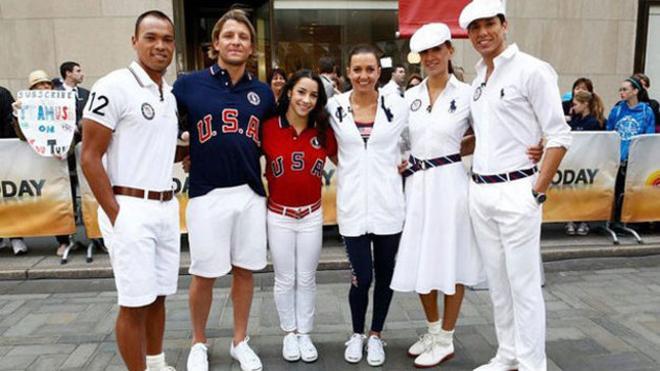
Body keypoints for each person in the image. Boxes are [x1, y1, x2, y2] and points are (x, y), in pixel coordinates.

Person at [459, 1, 571, 370]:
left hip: (518, 190)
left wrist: (537, 190)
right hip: (481, 191)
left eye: (489, 24)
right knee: (498, 283)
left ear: (504, 24)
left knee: (524, 286)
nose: (482, 33)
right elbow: (486, 136)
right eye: (475, 28)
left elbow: (558, 135)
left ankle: (532, 363)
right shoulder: (477, 81)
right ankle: (507, 354)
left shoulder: (533, 70)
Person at [173, 9, 275, 371]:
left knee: (245, 271)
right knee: (204, 273)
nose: (236, 41)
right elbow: (168, 128)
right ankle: (199, 342)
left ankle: (239, 340)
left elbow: (270, 141)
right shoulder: (188, 84)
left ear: (251, 48)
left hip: (249, 192)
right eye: (229, 35)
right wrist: (184, 149)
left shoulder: (262, 92)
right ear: (216, 43)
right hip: (205, 191)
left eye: (243, 37)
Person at [80, 10, 180, 371]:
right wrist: (115, 214)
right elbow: (89, 156)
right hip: (129, 207)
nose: (160, 46)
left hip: (166, 207)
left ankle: (155, 364)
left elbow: (158, 149)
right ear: (134, 41)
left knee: (158, 297)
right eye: (151, 38)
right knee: (134, 302)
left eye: (167, 39)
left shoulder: (167, 93)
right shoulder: (113, 85)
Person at [390, 23, 485, 368]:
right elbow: (399, 140)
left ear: (449, 50)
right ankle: (432, 329)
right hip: (418, 187)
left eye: (437, 50)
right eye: (424, 53)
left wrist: (460, 150)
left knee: (451, 260)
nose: (431, 58)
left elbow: (486, 133)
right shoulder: (410, 97)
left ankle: (446, 336)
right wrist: (401, 160)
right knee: (419, 260)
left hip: (451, 186)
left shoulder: (468, 93)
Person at [326, 44, 408, 367]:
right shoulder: (334, 107)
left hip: (389, 206)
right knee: (362, 275)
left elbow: (414, 141)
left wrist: (404, 160)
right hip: (352, 207)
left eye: (369, 70)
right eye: (357, 70)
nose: (363, 76)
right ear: (348, 71)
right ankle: (356, 333)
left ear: (379, 72)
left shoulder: (398, 106)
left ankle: (376, 334)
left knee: (386, 275)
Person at [262, 69, 337, 363]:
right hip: (278, 214)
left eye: (313, 95)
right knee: (284, 278)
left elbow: (351, 159)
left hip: (311, 215)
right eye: (301, 92)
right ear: (289, 92)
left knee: (306, 278)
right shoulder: (268, 127)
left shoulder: (322, 131)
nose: (306, 99)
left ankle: (304, 332)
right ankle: (289, 333)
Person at [10, 70, 72, 256]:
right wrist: (18, 115)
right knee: (51, 202)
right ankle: (62, 240)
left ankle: (69, 239)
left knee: (65, 200)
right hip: (39, 163)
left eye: (46, 84)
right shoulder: (26, 109)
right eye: (39, 85)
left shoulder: (63, 105)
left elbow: (70, 130)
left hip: (62, 160)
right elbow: (22, 137)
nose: (44, 88)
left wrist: (66, 147)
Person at [607, 76, 656, 225]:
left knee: (630, 189)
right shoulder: (617, 110)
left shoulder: (646, 112)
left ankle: (627, 220)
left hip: (635, 157)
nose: (621, 92)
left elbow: (648, 136)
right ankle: (613, 219)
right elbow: (609, 131)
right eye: (620, 90)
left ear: (635, 91)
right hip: (617, 156)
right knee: (614, 188)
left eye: (625, 89)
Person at [565, 90, 605, 236]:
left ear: (585, 104)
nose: (573, 107)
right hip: (575, 161)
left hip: (588, 162)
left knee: (585, 192)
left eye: (575, 104)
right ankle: (571, 218)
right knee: (573, 191)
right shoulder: (575, 120)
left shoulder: (594, 122)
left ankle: (584, 220)